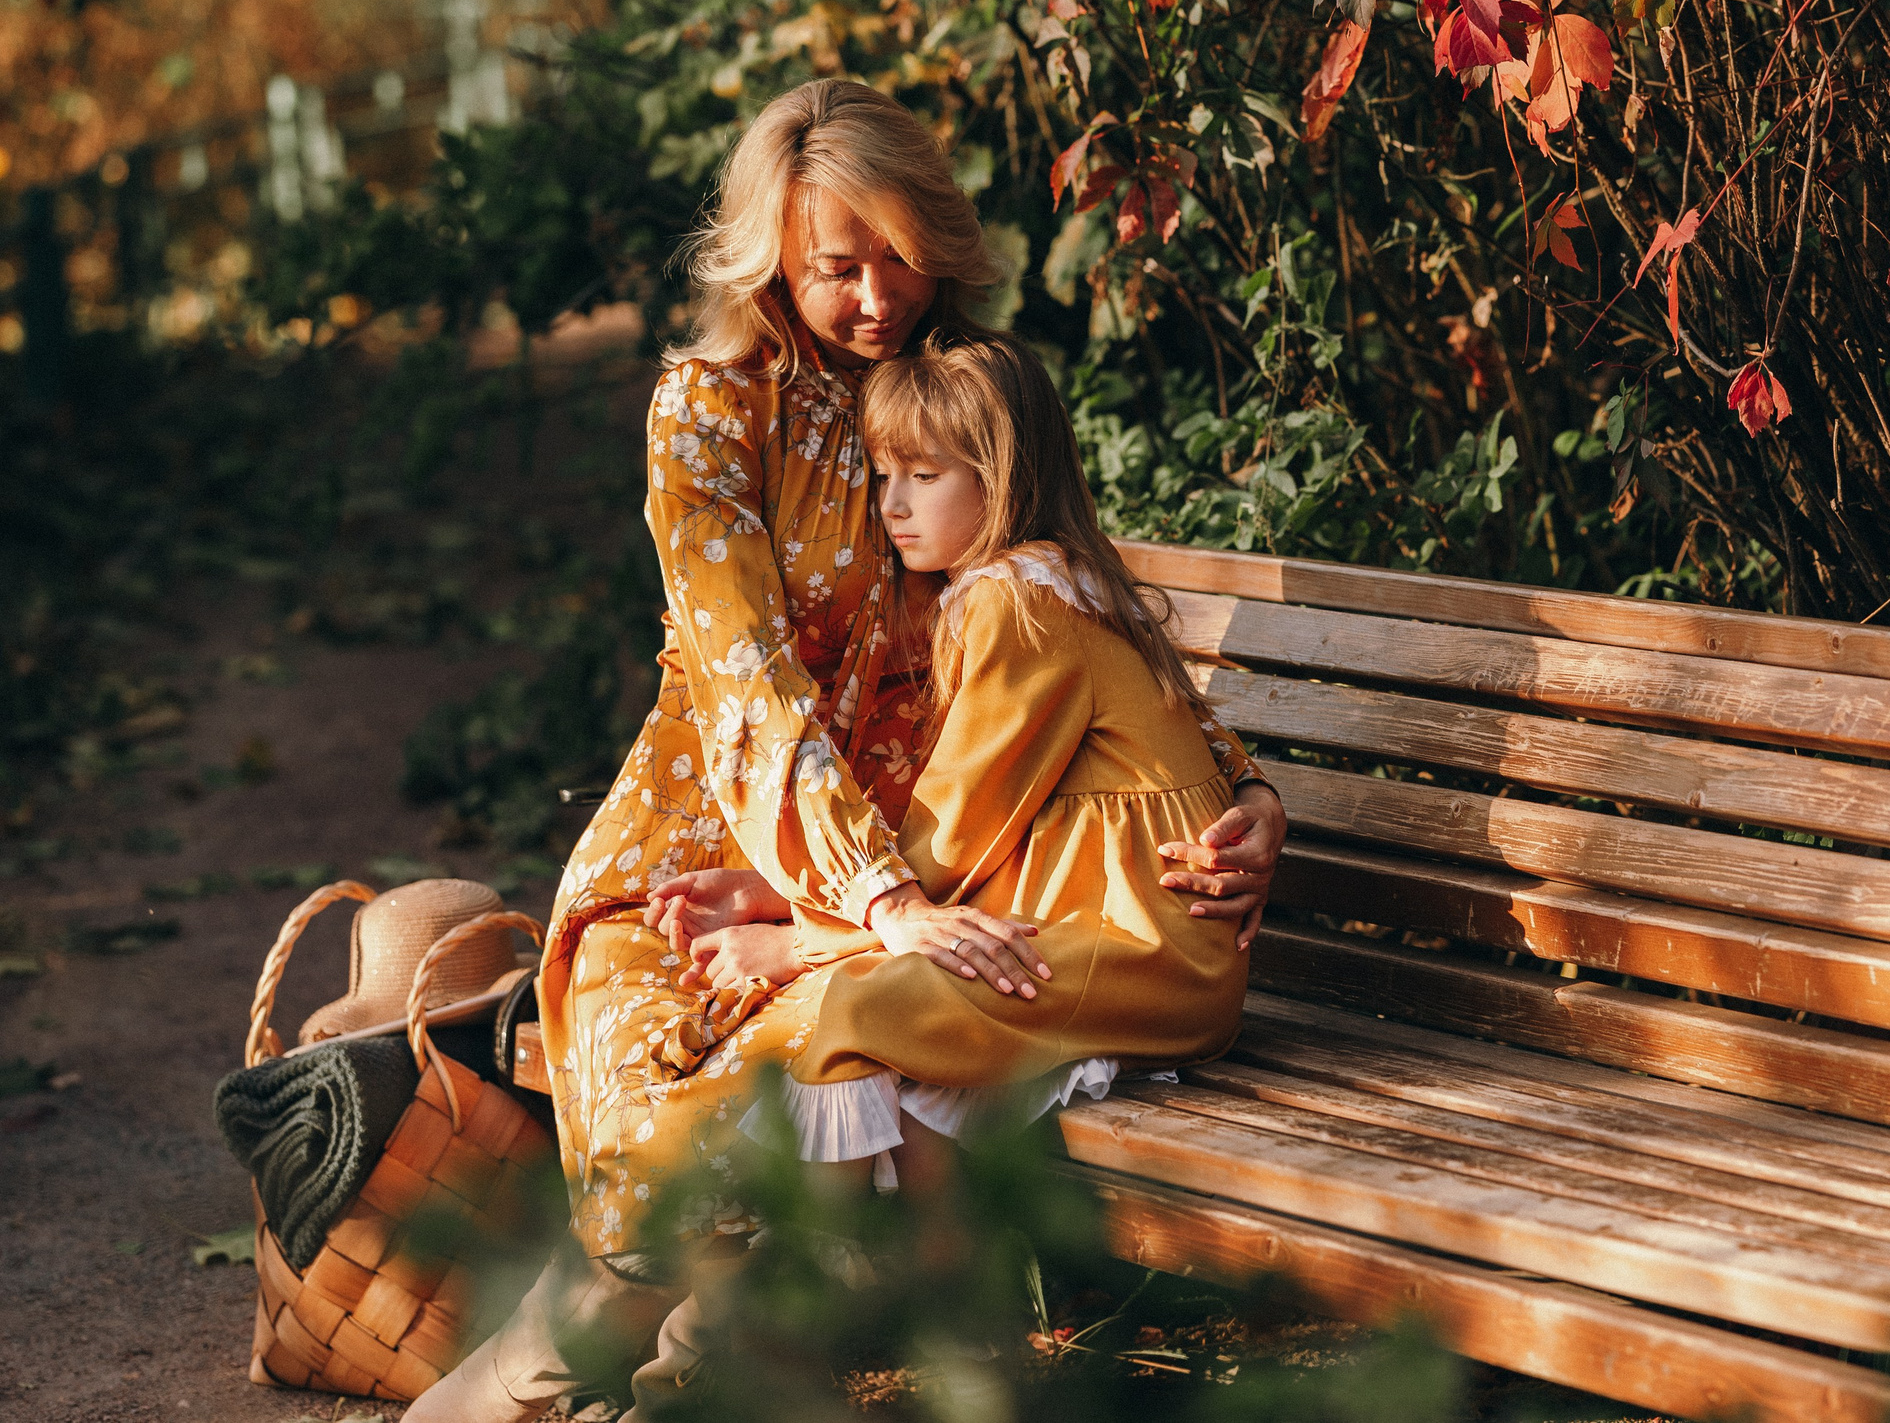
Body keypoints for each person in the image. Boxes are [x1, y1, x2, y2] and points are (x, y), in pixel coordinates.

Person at [404, 80, 1284, 1422]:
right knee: (689, 1106)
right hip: (715, 856)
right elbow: (749, 685)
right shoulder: (709, 409)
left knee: (838, 1067)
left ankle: (652, 1391)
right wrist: (862, 902)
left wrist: (1248, 791)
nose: (877, 298)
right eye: (835, 266)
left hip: (952, 870)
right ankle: (535, 1386)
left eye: (899, 257)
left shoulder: (960, 389)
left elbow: (1083, 604)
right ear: (773, 258)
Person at [653, 329, 1259, 1173]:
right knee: (898, 1022)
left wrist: (793, 943)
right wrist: (777, 894)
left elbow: (956, 833)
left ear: (1002, 478)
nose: (892, 505)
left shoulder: (1020, 603)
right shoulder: (1052, 578)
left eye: (924, 476)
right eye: (884, 475)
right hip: (1129, 941)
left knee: (863, 1010)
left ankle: (848, 1254)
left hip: (1147, 952)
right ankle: (927, 1251)